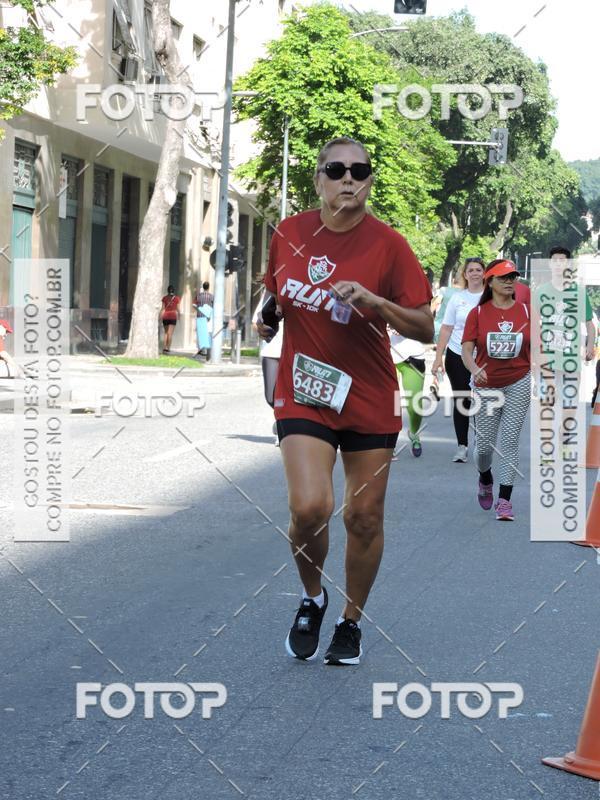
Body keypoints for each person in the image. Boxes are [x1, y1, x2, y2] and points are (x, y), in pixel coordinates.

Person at [256, 136, 433, 665]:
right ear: (319, 179)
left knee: (364, 518)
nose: (348, 178)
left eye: (359, 170)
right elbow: (275, 296)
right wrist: (268, 315)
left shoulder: (389, 245)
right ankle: (312, 597)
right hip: (305, 392)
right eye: (336, 169)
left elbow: (423, 326)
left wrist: (378, 302)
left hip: (369, 394)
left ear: (369, 180)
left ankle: (350, 621)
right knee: (310, 507)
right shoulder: (288, 233)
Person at [462, 260, 531, 521]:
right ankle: (485, 477)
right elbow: (467, 350)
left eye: (513, 276)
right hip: (486, 384)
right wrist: (474, 369)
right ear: (490, 282)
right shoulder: (478, 314)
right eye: (503, 277)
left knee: (510, 442)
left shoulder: (526, 312)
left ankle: (504, 501)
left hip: (519, 381)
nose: (510, 281)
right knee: (484, 448)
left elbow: (537, 349)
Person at [432, 257, 485, 462]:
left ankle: (481, 444)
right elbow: (446, 328)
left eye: (478, 269)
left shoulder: (490, 298)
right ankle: (461, 446)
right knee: (462, 399)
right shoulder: (457, 298)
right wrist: (438, 357)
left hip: (482, 357)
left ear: (484, 273)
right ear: (465, 274)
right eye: (470, 270)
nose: (474, 273)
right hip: (457, 354)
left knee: (483, 400)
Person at [252, 291, 284, 446]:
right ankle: (280, 420)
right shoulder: (269, 295)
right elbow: (256, 322)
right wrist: (263, 328)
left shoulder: (299, 293)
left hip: (294, 352)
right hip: (271, 350)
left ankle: (283, 428)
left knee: (289, 396)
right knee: (271, 397)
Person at [389, 329, 426, 457]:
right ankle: (388, 443)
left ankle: (414, 433)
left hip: (412, 356)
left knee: (415, 406)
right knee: (391, 404)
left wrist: (404, 324)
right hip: (385, 355)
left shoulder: (417, 307)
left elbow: (426, 326)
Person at [193, 281, 214, 359]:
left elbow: (194, 304)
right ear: (208, 287)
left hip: (200, 316)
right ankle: (207, 349)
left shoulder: (198, 296)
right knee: (208, 332)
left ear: (203, 287)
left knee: (200, 333)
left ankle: (201, 349)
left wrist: (198, 309)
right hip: (208, 317)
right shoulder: (211, 296)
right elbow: (214, 306)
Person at [160, 285, 180, 353]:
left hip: (165, 316)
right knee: (170, 333)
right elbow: (178, 309)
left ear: (167, 290)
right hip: (173, 316)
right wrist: (179, 315)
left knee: (166, 333)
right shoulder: (177, 298)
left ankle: (164, 347)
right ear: (173, 291)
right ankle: (168, 348)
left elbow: (162, 309)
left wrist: (160, 316)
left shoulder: (164, 298)